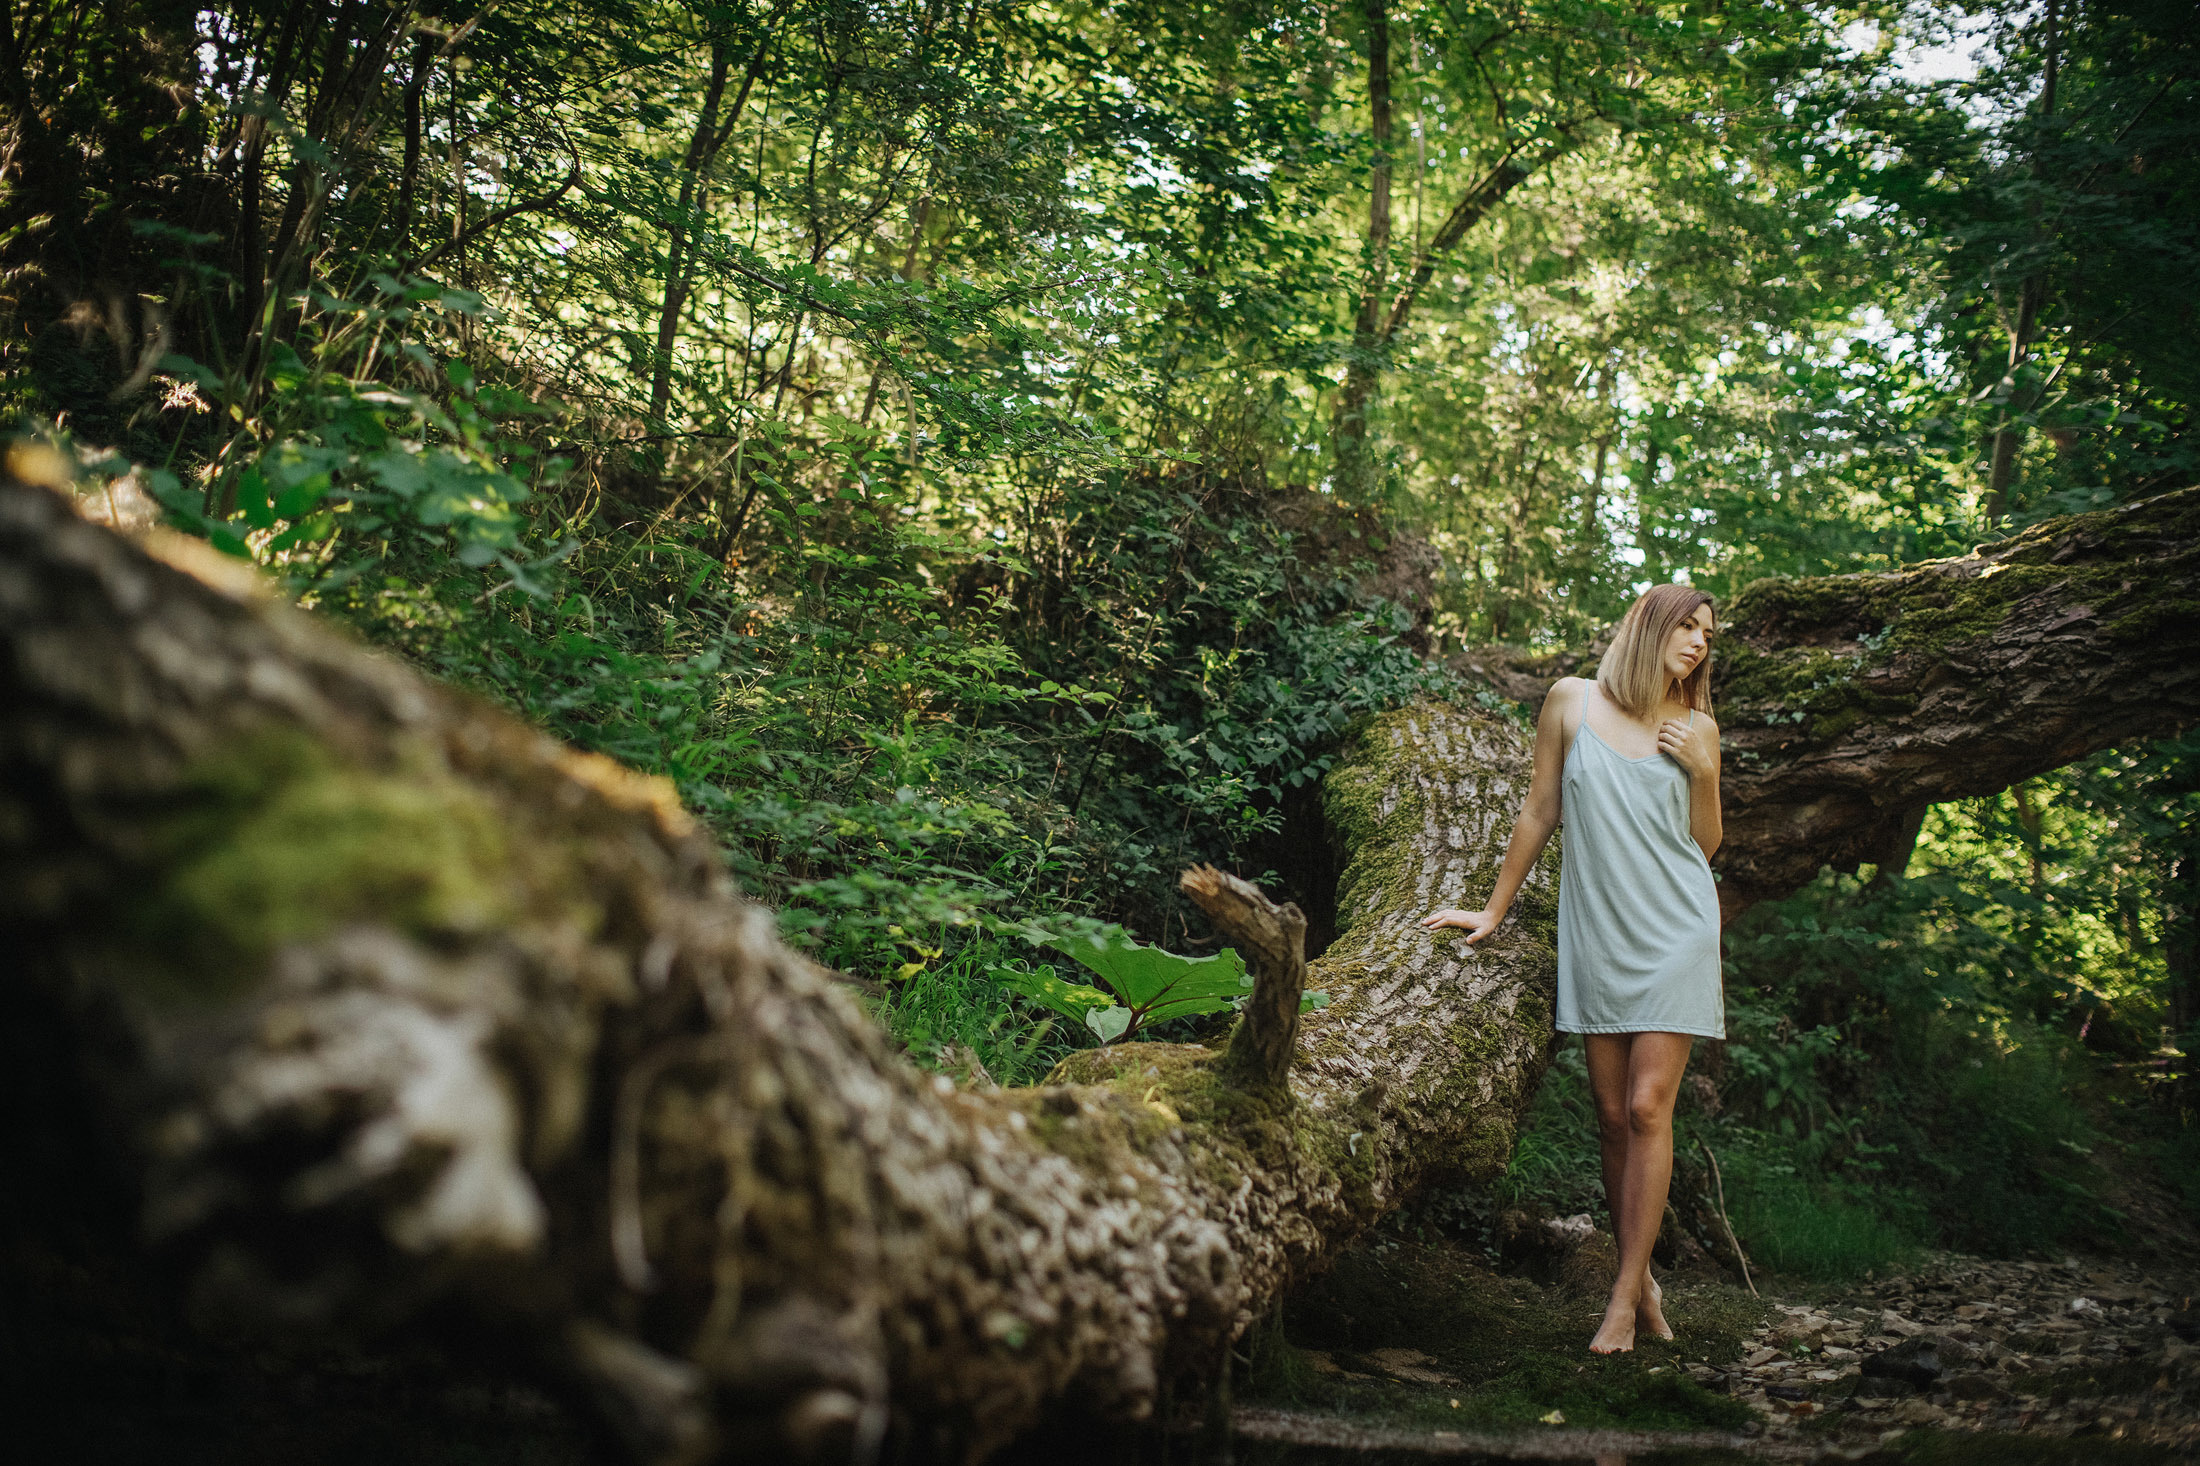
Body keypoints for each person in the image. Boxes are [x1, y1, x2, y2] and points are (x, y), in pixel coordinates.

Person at [1421, 584, 1723, 1354]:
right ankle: (1643, 1281)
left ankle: (1622, 1299)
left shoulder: (1697, 728)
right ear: (1648, 626)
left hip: (1677, 930)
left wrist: (1707, 773)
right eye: (1686, 625)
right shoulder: (1570, 701)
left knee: (1651, 1107)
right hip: (1597, 932)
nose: (1697, 642)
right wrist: (1492, 911)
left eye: (1707, 634)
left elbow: (1706, 847)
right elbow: (1539, 809)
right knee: (1613, 1114)